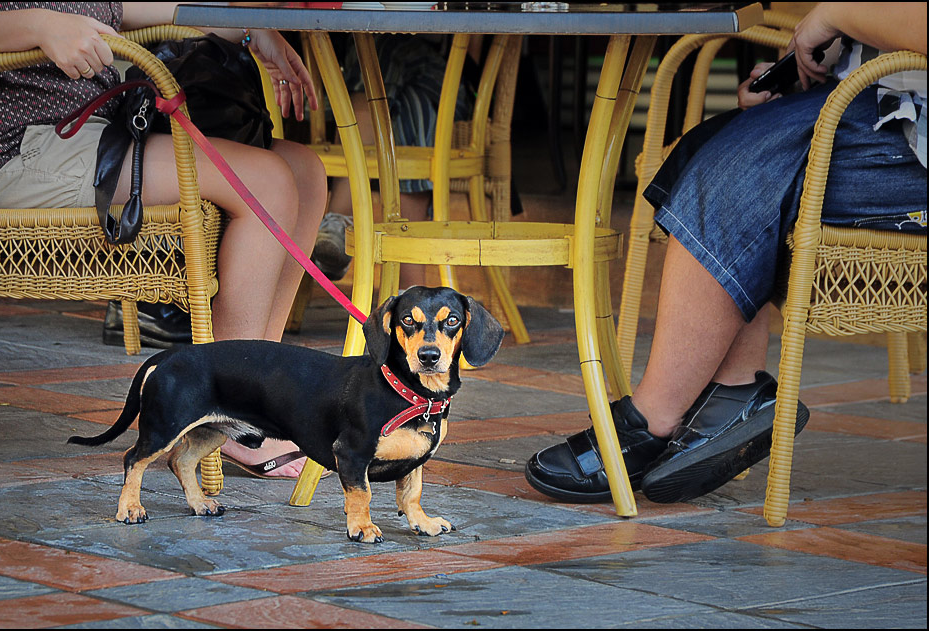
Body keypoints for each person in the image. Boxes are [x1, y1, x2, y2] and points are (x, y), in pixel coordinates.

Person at [525, 2, 927, 504]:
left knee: (730, 174)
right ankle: (734, 391)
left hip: (910, 148)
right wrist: (806, 77)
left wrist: (834, 15)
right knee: (709, 147)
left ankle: (650, 422)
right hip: (877, 107)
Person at [0, 2, 328, 479]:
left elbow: (146, 6)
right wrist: (41, 26)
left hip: (94, 131)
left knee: (303, 172)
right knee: (268, 181)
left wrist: (252, 27)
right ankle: (229, 414)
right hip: (22, 148)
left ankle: (254, 404)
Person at [311, 34, 475, 286]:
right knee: (412, 104)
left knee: (378, 49)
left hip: (448, 78)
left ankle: (339, 221)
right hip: (403, 95)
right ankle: (410, 291)